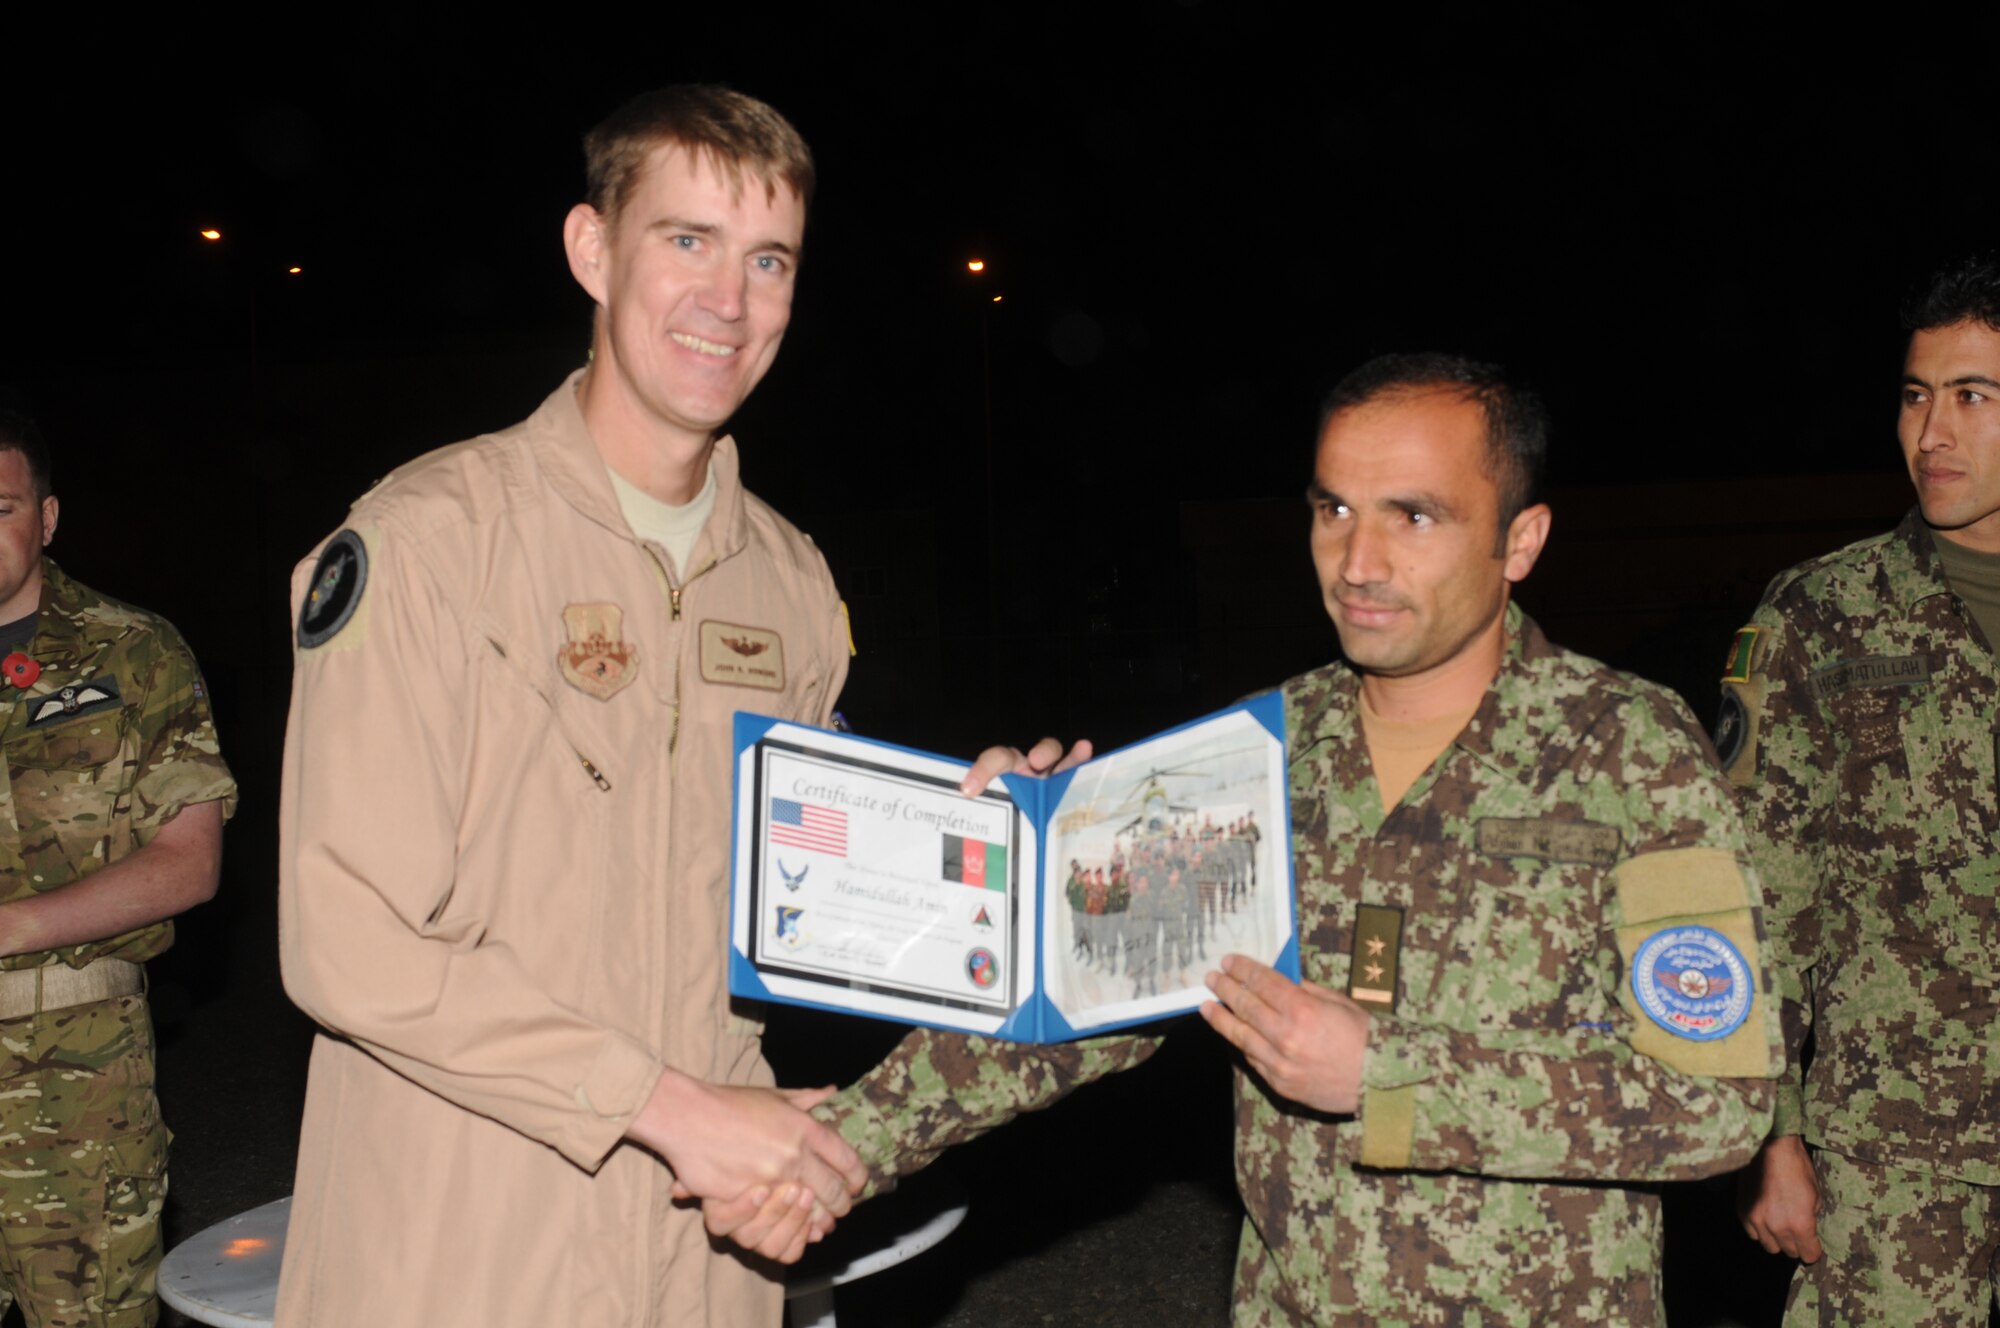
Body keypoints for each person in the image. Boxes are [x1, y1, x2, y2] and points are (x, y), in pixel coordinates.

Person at [815, 354, 1783, 1325]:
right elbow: (1075, 1000)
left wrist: (1385, 1073)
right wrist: (1033, 854)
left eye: (1411, 515)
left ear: (1517, 539)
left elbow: (1715, 1103)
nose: (1357, 561)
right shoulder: (1249, 753)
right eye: (1332, 510)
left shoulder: (1628, 750)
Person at [275, 87, 869, 1328]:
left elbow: (811, 901)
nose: (728, 300)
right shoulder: (434, 542)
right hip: (459, 1243)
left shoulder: (791, 583)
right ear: (593, 250)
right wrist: (669, 1107)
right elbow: (347, 940)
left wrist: (988, 843)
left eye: (769, 260)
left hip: (702, 1255)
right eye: (686, 241)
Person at [1729, 253, 2000, 1326]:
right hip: (1894, 1151)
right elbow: (1757, 893)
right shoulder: (1820, 616)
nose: (1928, 433)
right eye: (1912, 394)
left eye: (1971, 397)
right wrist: (1770, 1130)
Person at [0, 409, 234, 1327]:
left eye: (2, 505)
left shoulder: (132, 653)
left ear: (46, 519)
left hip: (79, 1100)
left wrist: (13, 926)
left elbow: (188, 862)